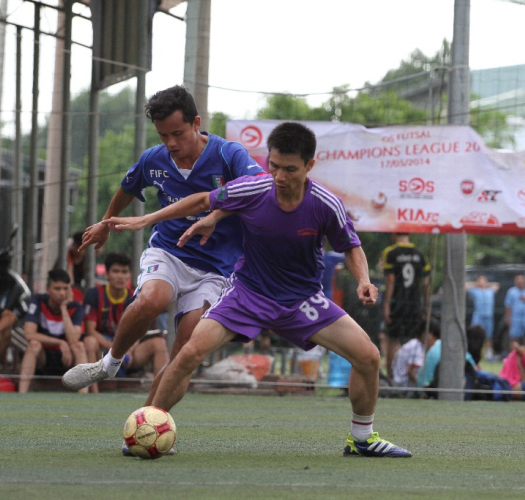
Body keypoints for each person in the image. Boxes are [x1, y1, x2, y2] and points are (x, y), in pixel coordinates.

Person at [109, 122, 412, 457]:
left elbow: (351, 246)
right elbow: (201, 200)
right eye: (274, 166)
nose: (280, 176)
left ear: (310, 166)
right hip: (247, 295)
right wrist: (147, 219)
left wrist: (364, 281)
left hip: (301, 301)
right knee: (189, 353)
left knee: (368, 356)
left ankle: (362, 440)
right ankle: (148, 428)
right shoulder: (253, 188)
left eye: (290, 169)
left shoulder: (326, 204)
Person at [62, 85, 264, 402]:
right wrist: (105, 224)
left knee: (184, 352)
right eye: (162, 136)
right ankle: (109, 363)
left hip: (217, 267)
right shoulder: (154, 160)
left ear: (196, 123)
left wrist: (216, 215)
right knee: (151, 301)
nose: (170, 143)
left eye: (177, 133)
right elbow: (127, 188)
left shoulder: (229, 154)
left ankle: (149, 422)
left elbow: (259, 187)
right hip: (169, 251)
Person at [82, 253, 169, 393]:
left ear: (130, 275)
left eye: (124, 272)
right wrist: (116, 351)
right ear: (107, 274)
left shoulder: (137, 297)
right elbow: (90, 331)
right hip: (103, 349)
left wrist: (127, 351)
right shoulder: (94, 294)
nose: (120, 276)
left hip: (129, 350)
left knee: (158, 343)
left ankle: (160, 396)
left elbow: (138, 331)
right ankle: (93, 392)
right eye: (116, 271)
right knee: (89, 341)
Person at [19, 269, 87, 394]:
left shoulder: (76, 307)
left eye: (65, 288)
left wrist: (63, 308)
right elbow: (29, 334)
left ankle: (83, 395)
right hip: (43, 356)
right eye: (57, 289)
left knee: (79, 346)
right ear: (48, 290)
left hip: (67, 359)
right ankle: (21, 393)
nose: (62, 293)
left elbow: (73, 339)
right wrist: (60, 342)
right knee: (33, 344)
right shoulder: (38, 300)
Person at [381, 233, 430, 381]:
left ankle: (392, 379)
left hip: (398, 302)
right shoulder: (420, 254)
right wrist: (426, 303)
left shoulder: (390, 252)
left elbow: (390, 280)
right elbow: (425, 283)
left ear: (394, 234)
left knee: (393, 339)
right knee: (416, 340)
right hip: (415, 303)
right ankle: (415, 378)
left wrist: (387, 304)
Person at [465, 275, 500, 360]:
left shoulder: (490, 291)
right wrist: (476, 284)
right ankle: (474, 352)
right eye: (480, 280)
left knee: (489, 336)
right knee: (475, 335)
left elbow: (497, 285)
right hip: (479, 316)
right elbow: (465, 286)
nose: (482, 282)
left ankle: (489, 355)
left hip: (488, 316)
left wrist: (487, 284)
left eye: (484, 280)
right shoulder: (475, 290)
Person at [390, 323, 425, 393]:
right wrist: (423, 392)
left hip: (397, 381)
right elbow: (410, 371)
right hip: (403, 387)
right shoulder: (417, 346)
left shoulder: (412, 343)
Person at [504, 274, 525, 345]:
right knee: (514, 338)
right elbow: (508, 306)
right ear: (515, 282)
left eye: (522, 281)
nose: (520, 282)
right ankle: (514, 354)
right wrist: (508, 318)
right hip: (515, 319)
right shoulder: (511, 292)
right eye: (518, 281)